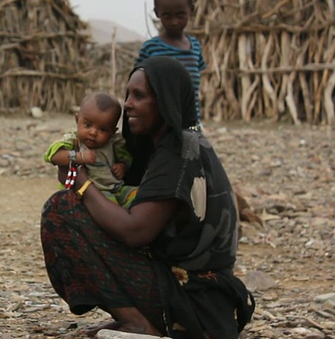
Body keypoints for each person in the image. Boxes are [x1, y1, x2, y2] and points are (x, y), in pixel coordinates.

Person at [40, 56, 255, 338]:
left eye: (139, 96)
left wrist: (80, 183)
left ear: (165, 101)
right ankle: (141, 319)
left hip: (196, 304)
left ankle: (139, 324)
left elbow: (135, 231)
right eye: (128, 94)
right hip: (199, 298)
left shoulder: (178, 153)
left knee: (61, 209)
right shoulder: (176, 144)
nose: (127, 103)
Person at [43, 92, 136, 208]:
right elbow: (54, 156)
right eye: (87, 125)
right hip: (87, 193)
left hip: (115, 188)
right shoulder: (74, 140)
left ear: (113, 131)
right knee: (112, 207)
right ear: (77, 120)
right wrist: (79, 157)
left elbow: (126, 159)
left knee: (138, 195)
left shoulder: (114, 143)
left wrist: (122, 167)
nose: (93, 133)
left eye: (102, 129)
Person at [136, 0, 206, 129]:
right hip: (160, 126)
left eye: (180, 15)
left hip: (191, 123)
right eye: (167, 16)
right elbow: (137, 84)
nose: (174, 22)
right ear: (157, 13)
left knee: (194, 152)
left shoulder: (195, 47)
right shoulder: (151, 49)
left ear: (191, 10)